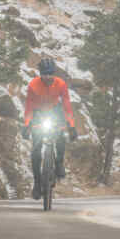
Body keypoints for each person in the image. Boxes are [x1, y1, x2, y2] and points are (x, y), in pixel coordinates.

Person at [21, 57, 78, 200]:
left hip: (54, 111)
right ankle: (37, 182)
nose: (48, 77)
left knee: (60, 136)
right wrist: (27, 125)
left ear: (54, 73)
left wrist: (71, 126)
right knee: (35, 150)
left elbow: (66, 106)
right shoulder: (33, 85)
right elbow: (29, 106)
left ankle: (59, 163)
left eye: (50, 73)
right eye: (45, 74)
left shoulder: (61, 84)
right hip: (38, 113)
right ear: (40, 74)